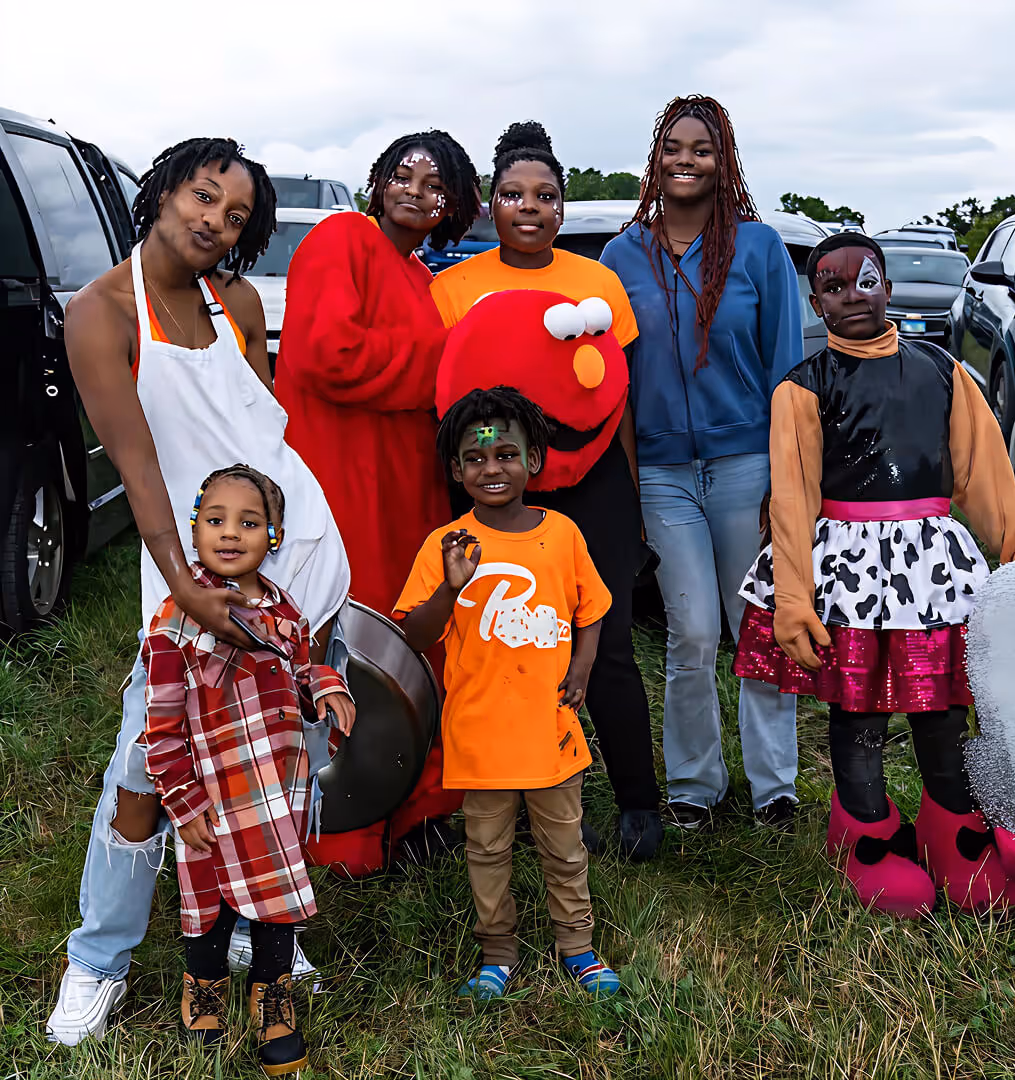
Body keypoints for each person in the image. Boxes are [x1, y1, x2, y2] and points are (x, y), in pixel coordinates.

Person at [46, 139, 350, 1046]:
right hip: (192, 584)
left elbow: (260, 436)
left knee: (285, 766)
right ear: (165, 190)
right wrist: (188, 590)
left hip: (297, 566)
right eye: (204, 197)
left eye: (234, 216)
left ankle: (272, 941)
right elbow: (142, 470)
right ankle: (95, 961)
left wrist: (276, 580)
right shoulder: (101, 312)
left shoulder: (241, 301)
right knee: (144, 770)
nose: (214, 221)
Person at [733, 232, 1015, 915]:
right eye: (833, 287)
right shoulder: (802, 388)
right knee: (857, 711)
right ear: (816, 304)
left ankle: (953, 835)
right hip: (846, 570)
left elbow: (984, 475)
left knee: (943, 710)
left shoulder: (944, 371)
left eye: (865, 281)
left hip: (929, 567)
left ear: (886, 287)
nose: (852, 296)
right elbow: (793, 495)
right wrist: (795, 597)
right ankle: (864, 830)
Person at [429, 121, 663, 861]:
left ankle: (638, 802)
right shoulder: (451, 289)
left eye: (547, 196)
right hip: (498, 496)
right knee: (515, 651)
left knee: (610, 647)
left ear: (563, 206)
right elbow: (442, 406)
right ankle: (540, 804)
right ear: (489, 203)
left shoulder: (596, 283)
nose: (530, 207)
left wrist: (630, 498)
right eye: (513, 195)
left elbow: (615, 401)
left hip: (593, 490)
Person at [274, 131, 482, 879]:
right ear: (377, 180)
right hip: (344, 480)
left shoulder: (423, 279)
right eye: (403, 174)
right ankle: (340, 832)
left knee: (414, 633)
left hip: (408, 487)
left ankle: (413, 809)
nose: (417, 190)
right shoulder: (342, 238)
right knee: (345, 641)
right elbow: (324, 353)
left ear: (452, 207)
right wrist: (445, 364)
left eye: (437, 186)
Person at [599, 95, 802, 831]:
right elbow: (611, 380)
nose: (686, 160)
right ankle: (693, 785)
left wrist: (783, 484)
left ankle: (773, 784)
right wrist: (626, 486)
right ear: (655, 159)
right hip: (660, 473)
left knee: (756, 623)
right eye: (674, 148)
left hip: (746, 463)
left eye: (703, 149)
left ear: (726, 163)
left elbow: (787, 374)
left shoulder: (760, 249)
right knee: (689, 633)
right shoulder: (623, 256)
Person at [395, 387, 620, 999]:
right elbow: (414, 632)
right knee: (486, 849)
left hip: (549, 727)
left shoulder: (562, 534)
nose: (491, 468)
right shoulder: (447, 546)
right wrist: (449, 586)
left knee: (565, 847)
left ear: (534, 460)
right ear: (455, 469)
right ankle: (498, 951)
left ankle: (577, 944)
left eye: (505, 456)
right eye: (474, 458)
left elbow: (591, 607)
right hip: (481, 733)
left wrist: (582, 666)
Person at [143, 466, 354, 1073]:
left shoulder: (283, 610)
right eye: (215, 520)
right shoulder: (175, 622)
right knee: (206, 897)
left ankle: (273, 994)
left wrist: (328, 685)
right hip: (212, 790)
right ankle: (203, 983)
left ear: (275, 535)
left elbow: (302, 664)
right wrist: (182, 800)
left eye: (249, 521)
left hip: (274, 787)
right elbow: (160, 724)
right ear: (193, 529)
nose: (230, 533)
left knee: (275, 897)